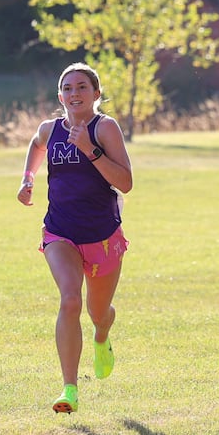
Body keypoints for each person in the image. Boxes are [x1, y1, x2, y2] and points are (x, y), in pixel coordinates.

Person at [16, 63, 133, 414]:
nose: (74, 93)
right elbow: (36, 146)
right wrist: (28, 179)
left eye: (82, 87)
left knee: (99, 312)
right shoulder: (49, 129)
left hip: (102, 237)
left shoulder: (104, 128)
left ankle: (101, 337)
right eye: (67, 88)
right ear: (60, 96)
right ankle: (69, 389)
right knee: (70, 301)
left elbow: (125, 182)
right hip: (60, 232)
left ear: (95, 94)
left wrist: (89, 149)